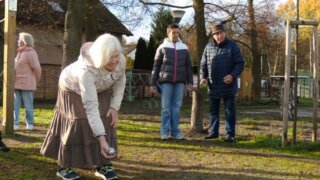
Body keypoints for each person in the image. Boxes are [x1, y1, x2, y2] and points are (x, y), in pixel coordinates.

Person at [40, 33, 126, 180]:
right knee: (79, 121)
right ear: (101, 56)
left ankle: (103, 164)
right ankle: (64, 166)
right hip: (72, 88)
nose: (115, 61)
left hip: (101, 87)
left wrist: (114, 108)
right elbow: (91, 108)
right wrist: (102, 140)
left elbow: (120, 81)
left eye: (116, 56)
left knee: (107, 117)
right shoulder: (86, 72)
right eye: (110, 57)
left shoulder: (120, 60)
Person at [200, 23, 244, 143]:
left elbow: (240, 63)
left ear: (225, 33)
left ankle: (230, 134)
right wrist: (203, 78)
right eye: (216, 34)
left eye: (220, 33)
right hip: (213, 85)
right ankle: (213, 132)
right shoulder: (208, 47)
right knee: (213, 110)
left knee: (230, 111)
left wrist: (232, 75)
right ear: (213, 36)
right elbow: (203, 65)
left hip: (228, 85)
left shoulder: (233, 46)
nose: (218, 36)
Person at [151, 23, 193, 140]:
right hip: (166, 81)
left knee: (176, 108)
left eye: (177, 32)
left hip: (180, 82)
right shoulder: (162, 47)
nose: (176, 34)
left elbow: (188, 67)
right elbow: (156, 66)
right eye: (173, 32)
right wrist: (152, 83)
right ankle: (164, 132)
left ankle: (175, 132)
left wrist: (190, 81)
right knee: (165, 108)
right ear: (168, 33)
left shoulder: (184, 48)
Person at [14, 32, 41, 131]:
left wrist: (35, 81)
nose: (17, 41)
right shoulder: (19, 52)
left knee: (28, 106)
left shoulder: (31, 53)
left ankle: (29, 124)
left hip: (27, 84)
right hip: (16, 83)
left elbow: (37, 69)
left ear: (24, 41)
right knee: (15, 106)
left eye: (19, 39)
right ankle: (15, 124)